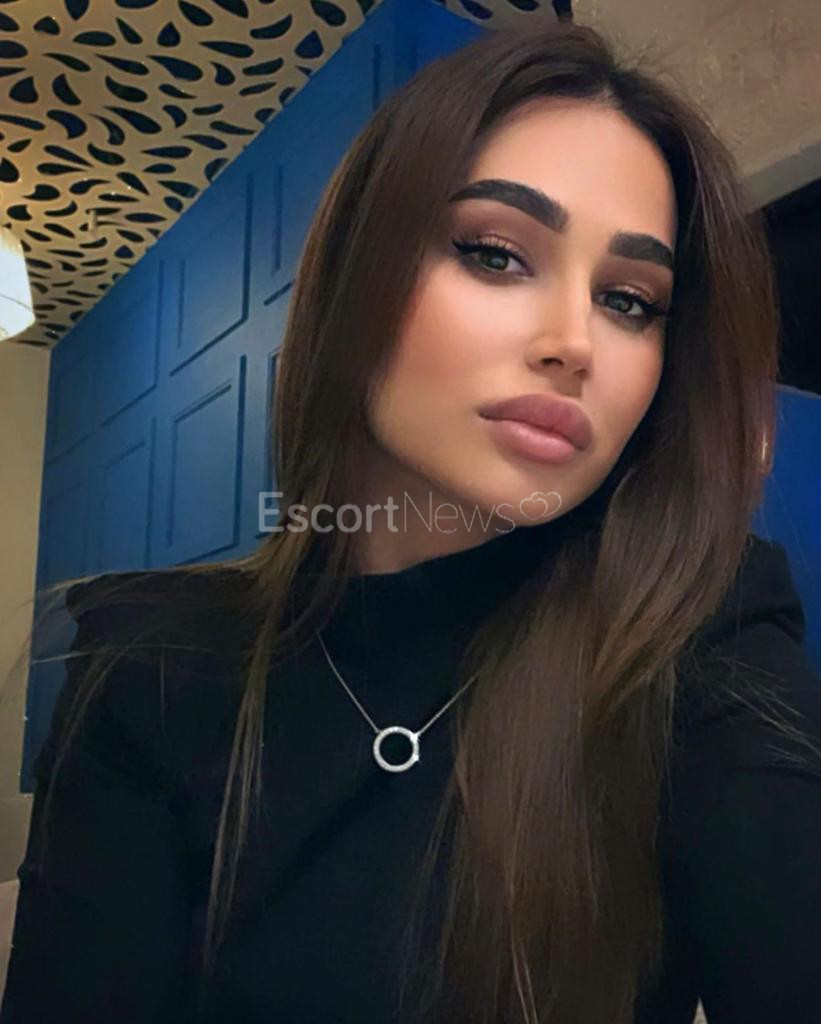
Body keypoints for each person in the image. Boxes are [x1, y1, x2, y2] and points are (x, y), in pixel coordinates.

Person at [2, 20, 821, 1024]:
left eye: (628, 301)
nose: (574, 342)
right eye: (495, 254)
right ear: (358, 275)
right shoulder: (149, 665)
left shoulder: (697, 631)